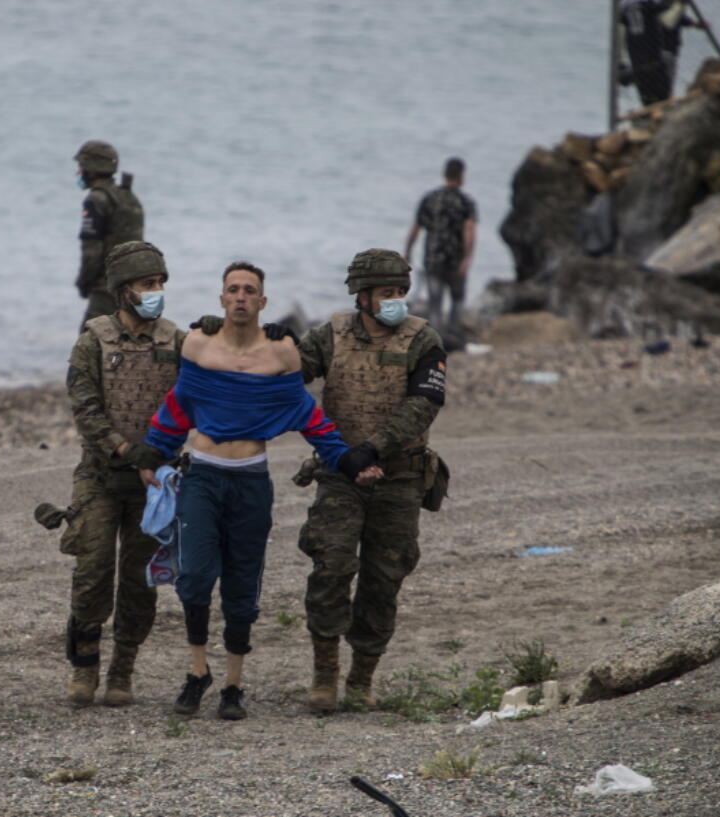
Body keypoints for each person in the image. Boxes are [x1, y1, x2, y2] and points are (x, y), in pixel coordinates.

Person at [132, 262, 379, 721]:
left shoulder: (282, 355)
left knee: (243, 584)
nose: (241, 297)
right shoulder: (197, 345)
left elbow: (308, 415)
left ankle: (232, 684)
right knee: (195, 576)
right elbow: (178, 406)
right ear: (221, 299)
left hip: (250, 481)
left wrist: (346, 459)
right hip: (202, 476)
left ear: (262, 302)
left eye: (250, 291)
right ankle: (196, 672)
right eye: (233, 290)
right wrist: (153, 454)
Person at [293, 249, 447, 713]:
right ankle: (324, 677)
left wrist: (374, 448)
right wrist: (271, 346)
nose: (396, 300)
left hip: (399, 478)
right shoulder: (330, 336)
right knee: (331, 569)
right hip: (340, 477)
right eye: (386, 293)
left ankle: (361, 679)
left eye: (401, 291)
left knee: (385, 578)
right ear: (362, 296)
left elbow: (424, 403)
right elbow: (285, 378)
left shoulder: (424, 340)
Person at [59, 240, 183, 708]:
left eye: (160, 283)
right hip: (101, 475)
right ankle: (85, 667)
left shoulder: (177, 342)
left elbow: (200, 392)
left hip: (153, 484)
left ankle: (123, 669)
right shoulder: (93, 340)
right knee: (92, 570)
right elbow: (85, 408)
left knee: (139, 578)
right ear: (123, 290)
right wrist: (127, 450)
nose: (156, 292)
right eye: (147, 284)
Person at [403, 157, 476, 343]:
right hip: (456, 261)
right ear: (461, 176)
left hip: (433, 259)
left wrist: (408, 251)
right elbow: (469, 231)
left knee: (435, 303)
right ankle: (452, 334)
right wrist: (467, 258)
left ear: (445, 174)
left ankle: (436, 340)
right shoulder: (466, 202)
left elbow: (416, 228)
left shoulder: (430, 199)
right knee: (457, 299)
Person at [74, 140, 145, 331]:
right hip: (133, 289)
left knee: (87, 351)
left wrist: (83, 283)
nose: (78, 172)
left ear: (91, 168)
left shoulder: (97, 199)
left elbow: (91, 253)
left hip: (105, 289)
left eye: (81, 167)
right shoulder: (128, 197)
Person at [618, 0, 673, 107]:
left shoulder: (624, 11)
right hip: (654, 59)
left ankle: (649, 109)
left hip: (637, 62)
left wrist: (620, 62)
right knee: (664, 99)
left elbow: (620, 34)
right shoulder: (648, 5)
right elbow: (665, 10)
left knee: (647, 100)